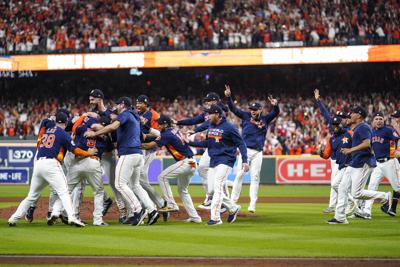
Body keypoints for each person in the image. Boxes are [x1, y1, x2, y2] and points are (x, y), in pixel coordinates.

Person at [8, 112, 95, 227]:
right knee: (64, 192)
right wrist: (88, 153)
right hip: (51, 164)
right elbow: (75, 150)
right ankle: (72, 217)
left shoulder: (48, 130)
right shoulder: (62, 133)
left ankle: (13, 218)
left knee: (31, 196)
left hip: (39, 164)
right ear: (65, 122)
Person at [85, 96, 159, 226]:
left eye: (118, 105)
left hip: (128, 154)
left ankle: (138, 210)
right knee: (135, 185)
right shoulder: (135, 116)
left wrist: (94, 134)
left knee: (119, 184)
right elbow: (141, 135)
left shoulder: (126, 114)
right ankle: (152, 210)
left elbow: (113, 126)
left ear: (123, 105)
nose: (116, 107)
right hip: (138, 154)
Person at [188, 104, 249, 225]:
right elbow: (208, 143)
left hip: (226, 160)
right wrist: (191, 143)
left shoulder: (230, 127)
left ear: (217, 114)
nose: (208, 116)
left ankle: (215, 218)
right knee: (211, 190)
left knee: (218, 187)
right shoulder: (211, 126)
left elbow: (241, 144)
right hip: (213, 160)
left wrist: (245, 160)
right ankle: (233, 208)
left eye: (210, 114)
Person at [224, 85, 280, 213]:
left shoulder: (265, 119)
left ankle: (252, 204)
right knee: (239, 175)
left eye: (255, 109)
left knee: (255, 177)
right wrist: (228, 97)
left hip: (258, 152)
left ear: (260, 110)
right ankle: (233, 201)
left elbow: (275, 113)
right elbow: (233, 108)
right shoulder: (245, 116)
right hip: (245, 151)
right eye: (251, 109)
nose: (252, 111)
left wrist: (275, 105)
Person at [141, 115, 202, 223]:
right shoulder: (173, 129)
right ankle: (195, 217)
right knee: (182, 190)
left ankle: (171, 204)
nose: (158, 125)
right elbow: (159, 134)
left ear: (165, 124)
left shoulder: (166, 134)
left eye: (160, 124)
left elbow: (149, 145)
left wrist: (132, 144)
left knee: (162, 177)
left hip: (186, 161)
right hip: (192, 162)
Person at [50, 116, 108, 226]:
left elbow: (77, 134)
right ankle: (97, 220)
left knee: (66, 190)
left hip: (77, 162)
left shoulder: (81, 130)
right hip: (93, 162)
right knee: (98, 192)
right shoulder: (103, 137)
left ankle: (56, 211)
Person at [177, 92, 228, 209]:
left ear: (215, 101)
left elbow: (207, 123)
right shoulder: (207, 112)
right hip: (211, 146)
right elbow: (194, 120)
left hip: (221, 147)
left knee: (215, 174)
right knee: (203, 168)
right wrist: (179, 122)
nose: (206, 102)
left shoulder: (220, 112)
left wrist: (194, 131)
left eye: (209, 100)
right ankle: (213, 198)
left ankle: (219, 200)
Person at [340, 107, 392, 217]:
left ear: (359, 116)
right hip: (356, 162)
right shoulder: (357, 128)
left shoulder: (363, 127)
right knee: (343, 187)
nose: (350, 115)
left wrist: (350, 150)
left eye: (352, 113)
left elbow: (367, 143)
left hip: (363, 162)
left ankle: (385, 196)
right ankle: (357, 211)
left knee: (356, 193)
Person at [361, 112, 400, 218]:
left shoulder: (388, 130)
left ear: (384, 121)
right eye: (376, 119)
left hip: (390, 162)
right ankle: (367, 211)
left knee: (397, 188)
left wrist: (396, 150)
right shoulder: (372, 132)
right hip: (378, 164)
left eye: (380, 119)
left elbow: (397, 139)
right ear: (373, 121)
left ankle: (392, 207)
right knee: (371, 187)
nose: (378, 121)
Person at [136, 95, 165, 210]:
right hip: (140, 150)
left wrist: (147, 135)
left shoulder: (154, 114)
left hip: (149, 149)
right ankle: (157, 204)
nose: (138, 105)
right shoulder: (138, 114)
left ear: (146, 104)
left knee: (139, 178)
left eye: (140, 103)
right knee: (140, 180)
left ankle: (157, 204)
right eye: (137, 102)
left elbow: (160, 133)